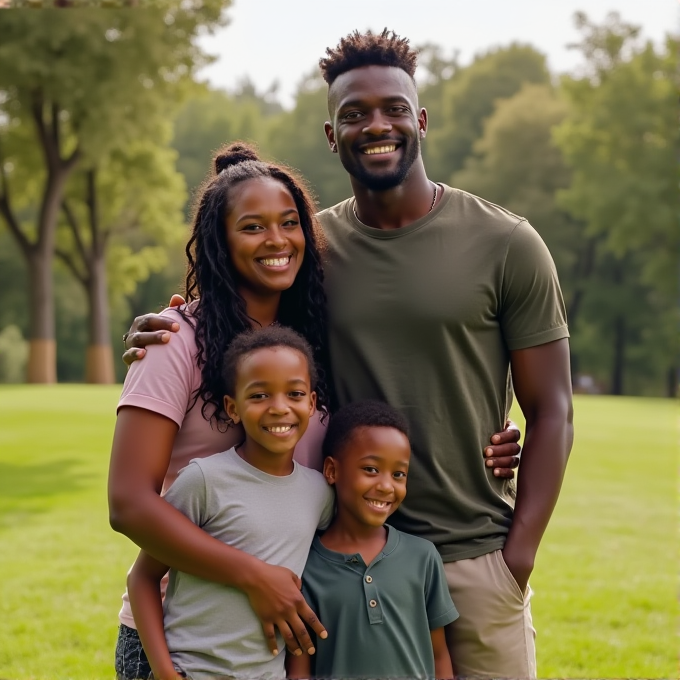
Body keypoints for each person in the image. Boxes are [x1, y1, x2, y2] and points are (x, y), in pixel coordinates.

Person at [120, 29, 563, 680]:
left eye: (393, 108)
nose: (375, 125)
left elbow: (552, 407)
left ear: (421, 119)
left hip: (472, 555)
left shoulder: (507, 242)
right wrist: (166, 322)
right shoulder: (309, 248)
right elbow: (229, 292)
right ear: (332, 135)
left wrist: (516, 557)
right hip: (327, 561)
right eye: (353, 113)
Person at [110, 143, 336, 680]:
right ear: (220, 241)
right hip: (179, 640)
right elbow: (127, 503)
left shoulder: (307, 348)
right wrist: (254, 576)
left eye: (289, 223)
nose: (278, 241)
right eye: (253, 227)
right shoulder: (174, 343)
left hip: (274, 646)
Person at [127, 327, 335, 680]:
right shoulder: (203, 481)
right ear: (232, 408)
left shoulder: (320, 493)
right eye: (259, 396)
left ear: (312, 404)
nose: (279, 408)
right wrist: (163, 671)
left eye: (295, 393)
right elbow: (141, 578)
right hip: (190, 671)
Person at [287, 400, 457, 680]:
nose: (386, 486)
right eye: (371, 470)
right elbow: (300, 671)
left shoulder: (423, 556)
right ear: (331, 470)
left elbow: (439, 655)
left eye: (398, 474)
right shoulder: (306, 566)